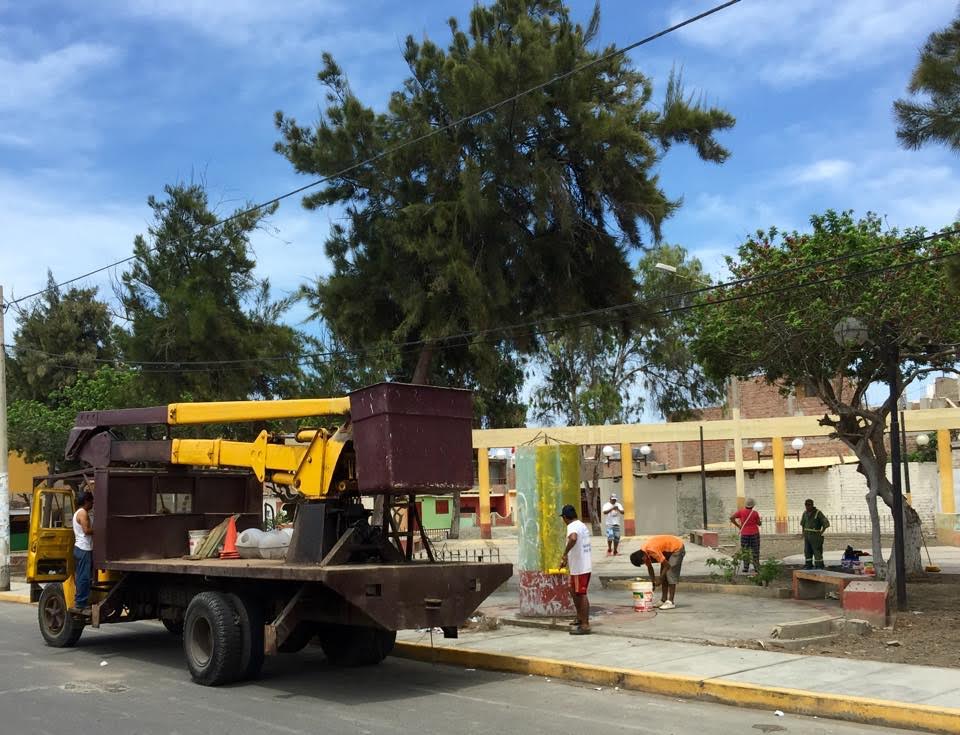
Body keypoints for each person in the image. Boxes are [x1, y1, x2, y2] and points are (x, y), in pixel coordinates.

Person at [559, 504, 592, 635]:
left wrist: (565, 553)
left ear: (565, 518)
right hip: (579, 566)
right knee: (573, 591)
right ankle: (580, 617)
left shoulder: (572, 526)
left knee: (581, 594)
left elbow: (573, 538)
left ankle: (585, 625)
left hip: (580, 567)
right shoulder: (581, 525)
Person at [630, 535, 685, 610]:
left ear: (643, 558)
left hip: (677, 548)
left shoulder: (652, 550)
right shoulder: (644, 552)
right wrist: (653, 582)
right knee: (664, 575)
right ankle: (663, 600)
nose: (645, 563)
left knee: (670, 574)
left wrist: (660, 579)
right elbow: (650, 568)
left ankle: (671, 602)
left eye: (643, 563)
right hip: (667, 552)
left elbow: (667, 566)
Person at [72, 490, 95, 614]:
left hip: (81, 548)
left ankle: (81, 600)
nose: (92, 503)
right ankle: (80, 602)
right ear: (86, 501)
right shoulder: (83, 513)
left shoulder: (79, 512)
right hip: (83, 548)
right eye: (91, 501)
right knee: (84, 577)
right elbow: (86, 531)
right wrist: (99, 530)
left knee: (83, 576)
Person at [730, 498, 762, 573]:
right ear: (753, 506)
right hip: (754, 534)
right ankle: (756, 567)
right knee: (755, 550)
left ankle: (745, 567)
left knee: (745, 550)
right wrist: (760, 522)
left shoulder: (741, 511)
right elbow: (759, 523)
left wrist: (738, 526)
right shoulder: (755, 513)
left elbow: (731, 518)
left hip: (744, 534)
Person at [801, 498, 830, 569]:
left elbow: (826, 523)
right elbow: (803, 524)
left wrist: (821, 532)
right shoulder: (805, 513)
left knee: (816, 551)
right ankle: (808, 564)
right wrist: (803, 533)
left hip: (815, 535)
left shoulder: (818, 513)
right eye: (806, 505)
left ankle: (819, 565)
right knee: (807, 551)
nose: (807, 507)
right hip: (807, 535)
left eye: (809, 505)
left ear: (812, 505)